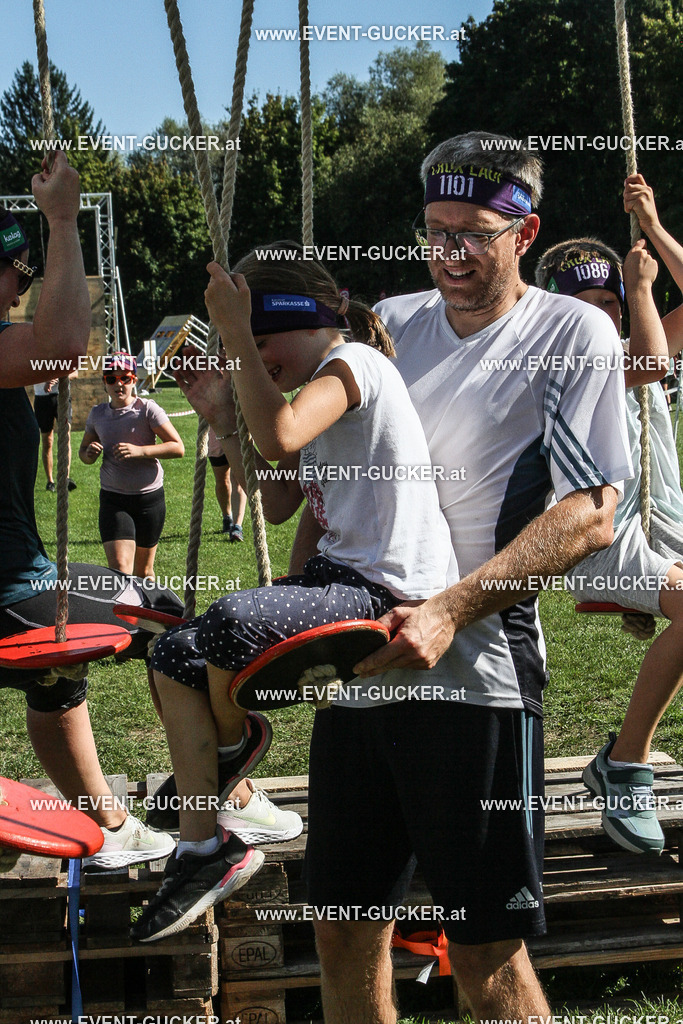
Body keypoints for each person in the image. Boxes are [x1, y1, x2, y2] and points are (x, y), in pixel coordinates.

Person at [282, 131, 634, 1023]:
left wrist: (447, 609)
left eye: (474, 233)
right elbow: (324, 488)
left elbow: (591, 510)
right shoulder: (389, 324)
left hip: (477, 678)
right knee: (342, 928)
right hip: (361, 672)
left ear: (525, 232)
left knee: (484, 951)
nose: (450, 253)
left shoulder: (570, 329)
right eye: (435, 231)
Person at [130, 244, 458, 943]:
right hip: (339, 580)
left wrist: (237, 352)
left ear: (306, 319)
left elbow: (278, 439)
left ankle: (222, 759)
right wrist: (222, 417)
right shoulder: (314, 382)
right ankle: (201, 845)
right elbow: (278, 501)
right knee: (171, 653)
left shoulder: (353, 366)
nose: (260, 357)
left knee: (225, 625)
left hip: (386, 591)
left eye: (261, 341)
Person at [0, 155, 178, 870]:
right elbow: (65, 346)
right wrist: (64, 222)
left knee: (58, 678)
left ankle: (105, 825)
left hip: (23, 578)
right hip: (12, 592)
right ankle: (225, 797)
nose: (23, 289)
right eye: (20, 274)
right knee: (171, 622)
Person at [535, 173, 683, 856]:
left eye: (608, 302)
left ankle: (616, 763)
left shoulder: (631, 340)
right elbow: (651, 359)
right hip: (604, 540)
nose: (599, 316)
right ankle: (625, 766)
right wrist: (643, 289)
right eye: (583, 306)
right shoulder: (567, 364)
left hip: (662, 533)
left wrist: (651, 228)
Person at [79, 352, 184, 580]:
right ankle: (121, 615)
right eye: (112, 379)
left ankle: (147, 614)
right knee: (120, 570)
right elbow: (83, 454)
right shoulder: (97, 414)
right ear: (104, 383)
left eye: (125, 378)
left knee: (144, 573)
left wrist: (141, 451)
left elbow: (178, 447)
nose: (119, 384)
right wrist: (89, 453)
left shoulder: (148, 409)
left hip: (149, 499)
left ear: (134, 380)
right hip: (113, 499)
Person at [33, 373, 77, 492]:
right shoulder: (34, 354)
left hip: (62, 396)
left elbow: (75, 372)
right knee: (47, 441)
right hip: (42, 397)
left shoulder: (63, 353)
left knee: (65, 438)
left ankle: (65, 478)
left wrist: (57, 378)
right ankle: (50, 481)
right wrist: (46, 378)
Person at [207, 424, 246, 541]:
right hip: (216, 434)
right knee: (222, 480)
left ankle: (237, 526)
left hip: (239, 433)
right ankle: (227, 517)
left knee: (238, 480)